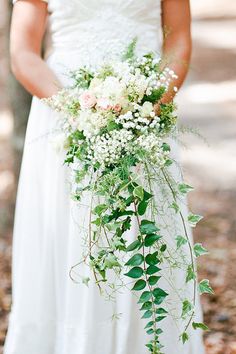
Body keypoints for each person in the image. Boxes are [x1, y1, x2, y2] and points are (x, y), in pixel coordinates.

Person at [4, 1, 205, 353]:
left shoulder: (149, 109)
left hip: (146, 114)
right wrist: (75, 108)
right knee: (71, 233)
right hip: (62, 112)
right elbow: (23, 51)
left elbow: (179, 39)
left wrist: (151, 104)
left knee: (148, 231)